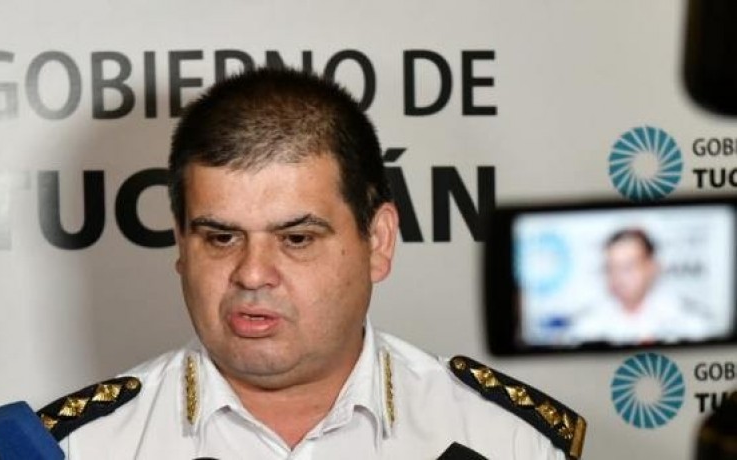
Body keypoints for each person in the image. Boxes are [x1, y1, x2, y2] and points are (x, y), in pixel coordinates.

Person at [39, 68, 585, 459]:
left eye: (296, 238)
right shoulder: (76, 449)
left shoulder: (507, 442)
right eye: (221, 238)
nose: (253, 274)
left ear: (378, 241)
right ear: (182, 246)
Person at [567, 228, 707, 344]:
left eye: (627, 267)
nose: (618, 277)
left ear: (652, 267)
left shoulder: (686, 320)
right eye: (611, 268)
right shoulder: (587, 325)